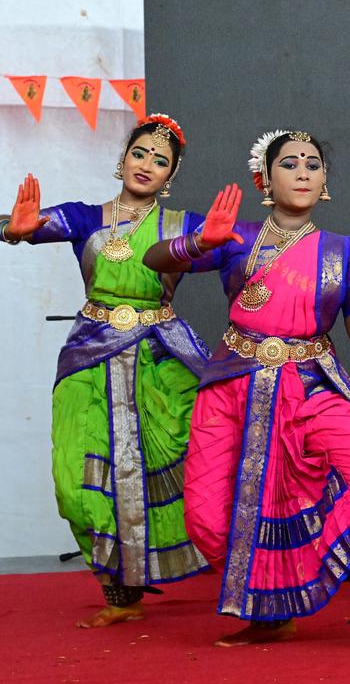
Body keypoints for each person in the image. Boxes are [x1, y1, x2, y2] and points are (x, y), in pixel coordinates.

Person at [142, 129, 350, 649]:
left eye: (313, 164)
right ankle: (271, 610)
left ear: (324, 183)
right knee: (207, 520)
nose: (303, 171)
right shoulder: (236, 236)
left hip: (310, 383)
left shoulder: (340, 251)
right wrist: (199, 242)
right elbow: (154, 260)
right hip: (234, 384)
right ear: (265, 179)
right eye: (290, 163)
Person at [0, 115, 209, 627]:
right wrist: (13, 230)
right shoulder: (83, 217)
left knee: (203, 459)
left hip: (161, 357)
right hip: (89, 356)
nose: (147, 165)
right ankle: (119, 589)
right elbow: (17, 224)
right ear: (123, 160)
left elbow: (250, 258)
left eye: (161, 161)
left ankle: (247, 574)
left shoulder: (185, 226)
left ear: (170, 176)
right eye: (140, 154)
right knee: (76, 482)